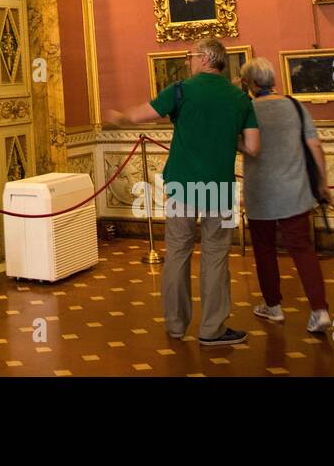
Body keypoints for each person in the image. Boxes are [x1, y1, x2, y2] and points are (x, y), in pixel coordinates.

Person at [104, 38, 261, 347]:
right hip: (219, 186)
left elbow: (139, 116)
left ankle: (176, 325)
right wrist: (231, 140)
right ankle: (212, 330)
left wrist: (119, 117)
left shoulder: (181, 90)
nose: (189, 61)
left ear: (204, 59)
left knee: (177, 253)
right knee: (216, 256)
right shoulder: (240, 98)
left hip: (181, 184)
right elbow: (253, 147)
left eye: (192, 56)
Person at [238, 58, 333, 335]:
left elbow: (244, 145)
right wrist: (323, 182)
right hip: (295, 190)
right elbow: (314, 145)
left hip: (261, 191)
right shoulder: (294, 105)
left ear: (250, 84)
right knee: (303, 249)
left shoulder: (247, 109)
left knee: (265, 251)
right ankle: (320, 310)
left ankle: (273, 306)